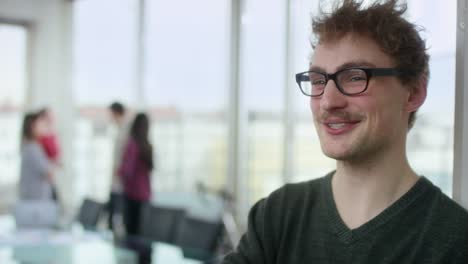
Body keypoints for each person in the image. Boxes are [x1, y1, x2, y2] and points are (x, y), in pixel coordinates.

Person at [222, 1, 468, 263]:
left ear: (414, 93)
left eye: (354, 77)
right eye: (318, 81)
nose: (328, 102)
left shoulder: (454, 241)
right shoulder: (278, 215)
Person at [119, 112, 154, 236]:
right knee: (144, 234)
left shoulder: (132, 145)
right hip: (146, 196)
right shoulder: (147, 146)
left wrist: (120, 172)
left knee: (131, 235)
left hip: (132, 195)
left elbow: (127, 171)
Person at [18, 112, 54, 200]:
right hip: (36, 201)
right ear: (32, 127)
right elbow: (49, 174)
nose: (44, 127)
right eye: (40, 124)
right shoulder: (33, 148)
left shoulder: (29, 146)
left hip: (33, 199)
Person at [107, 102, 129, 231]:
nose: (110, 118)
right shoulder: (120, 130)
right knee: (112, 216)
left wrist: (120, 172)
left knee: (117, 217)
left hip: (122, 182)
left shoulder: (126, 131)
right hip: (116, 181)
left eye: (111, 114)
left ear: (116, 113)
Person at [37, 107, 61, 201]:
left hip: (50, 175)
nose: (53, 118)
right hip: (44, 176)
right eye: (50, 116)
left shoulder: (51, 134)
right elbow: (52, 154)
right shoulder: (42, 136)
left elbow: (56, 154)